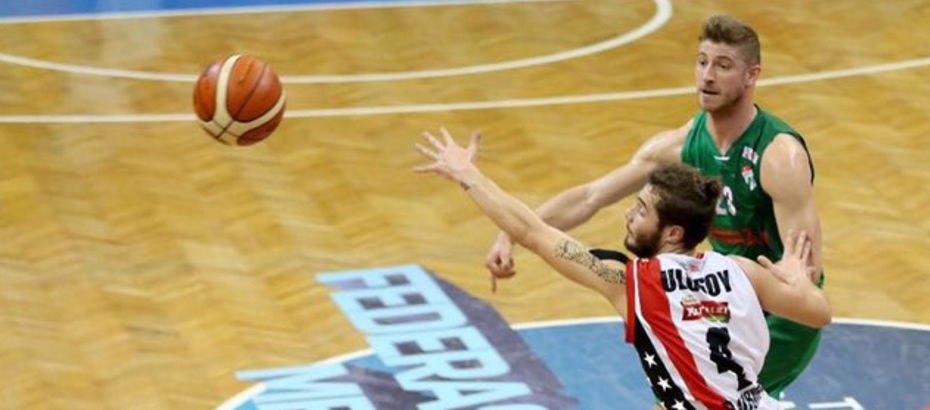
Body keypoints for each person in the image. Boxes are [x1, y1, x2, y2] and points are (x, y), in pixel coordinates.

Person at [484, 14, 824, 398]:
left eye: (723, 66)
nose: (707, 76)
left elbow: (804, 270)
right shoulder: (680, 146)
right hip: (726, 300)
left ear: (752, 75)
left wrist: (772, 288)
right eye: (702, 62)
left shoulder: (779, 157)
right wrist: (509, 233)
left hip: (781, 315)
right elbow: (591, 196)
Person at [413, 128, 830, 410]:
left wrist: (466, 173)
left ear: (672, 232)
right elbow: (819, 314)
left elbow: (530, 231)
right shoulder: (741, 269)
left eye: (642, 210)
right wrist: (800, 284)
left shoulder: (634, 284)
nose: (629, 215)